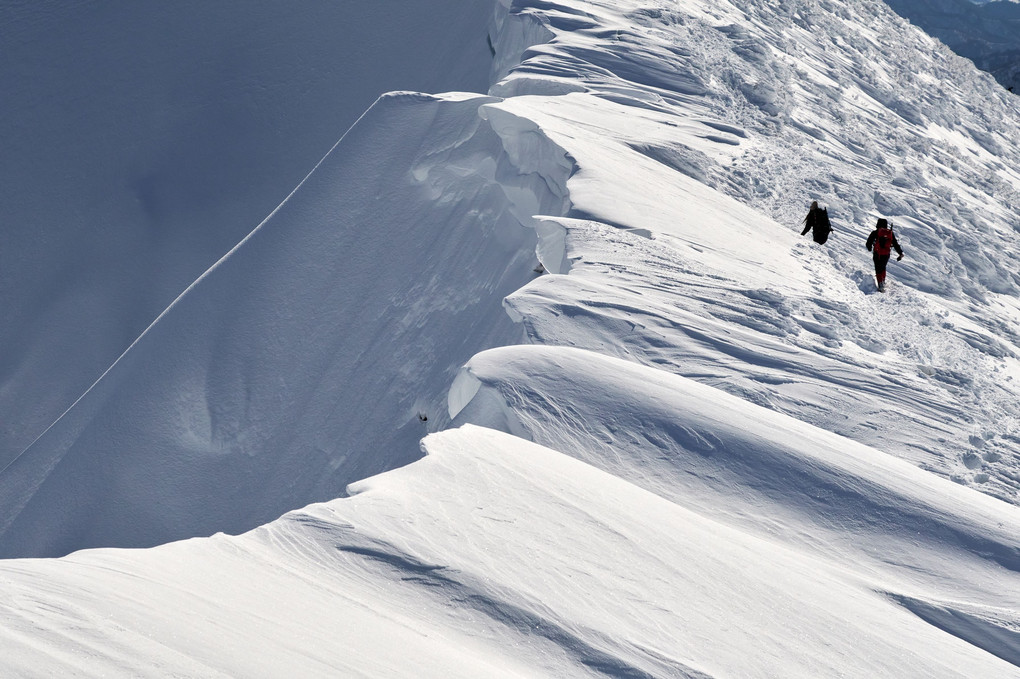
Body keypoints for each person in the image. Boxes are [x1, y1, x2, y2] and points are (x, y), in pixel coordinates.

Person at [865, 218, 903, 292]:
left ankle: (880, 284)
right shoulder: (890, 233)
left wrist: (869, 248)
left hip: (877, 253)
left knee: (878, 268)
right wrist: (900, 253)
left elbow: (868, 242)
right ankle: (883, 281)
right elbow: (895, 244)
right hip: (886, 254)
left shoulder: (875, 232)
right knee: (883, 267)